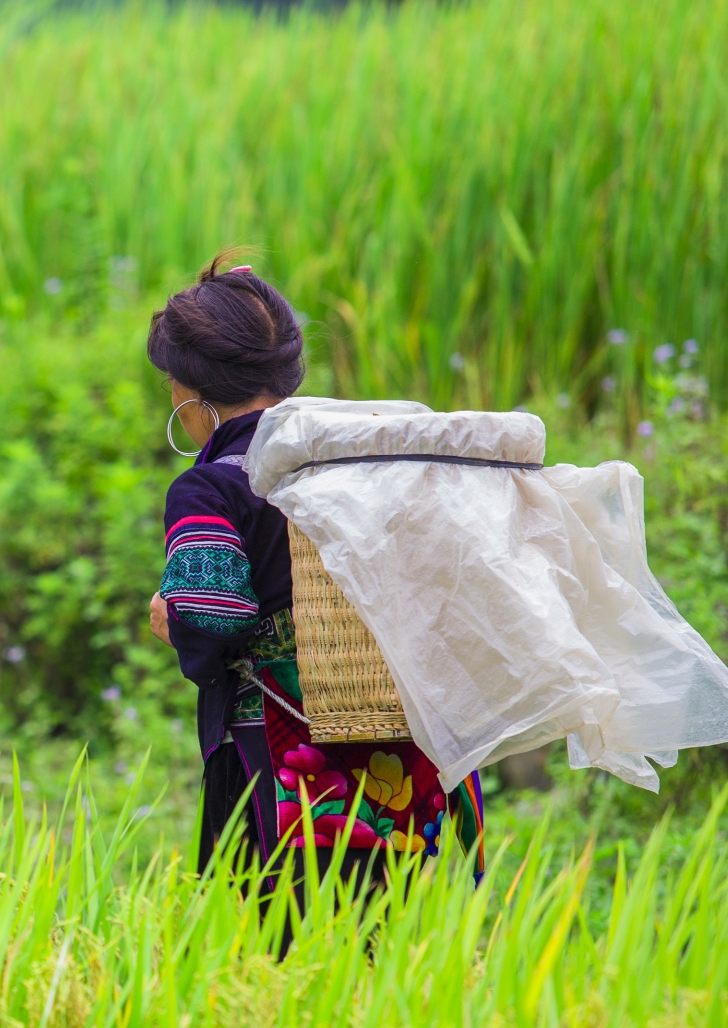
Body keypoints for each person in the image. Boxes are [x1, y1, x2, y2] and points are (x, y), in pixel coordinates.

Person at [145, 252, 483, 889]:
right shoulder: (370, 464)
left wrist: (174, 620)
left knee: (277, 939)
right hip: (399, 765)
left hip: (284, 771)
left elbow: (212, 612)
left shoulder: (211, 487)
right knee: (382, 936)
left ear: (191, 389)